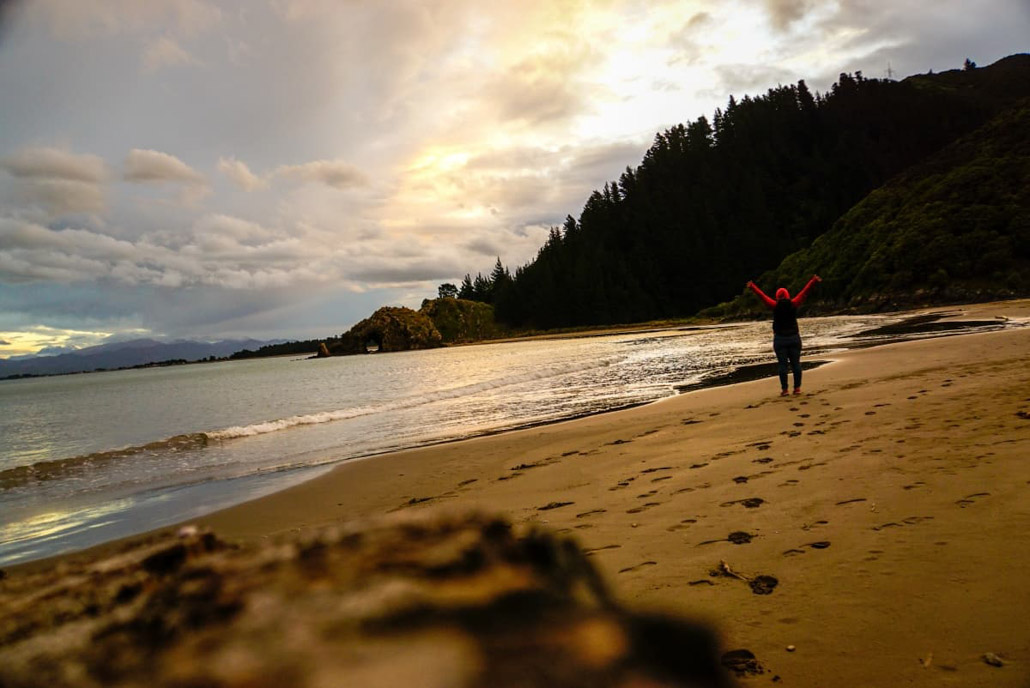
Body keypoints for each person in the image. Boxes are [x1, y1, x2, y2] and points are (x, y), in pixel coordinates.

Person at [746, 275, 822, 396]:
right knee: (796, 364)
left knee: (782, 365)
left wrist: (753, 287)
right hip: (794, 338)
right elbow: (804, 292)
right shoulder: (794, 304)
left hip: (780, 339)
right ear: (787, 295)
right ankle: (797, 389)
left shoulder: (774, 305)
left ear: (777, 296)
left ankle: (785, 390)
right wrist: (813, 281)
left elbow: (762, 296)